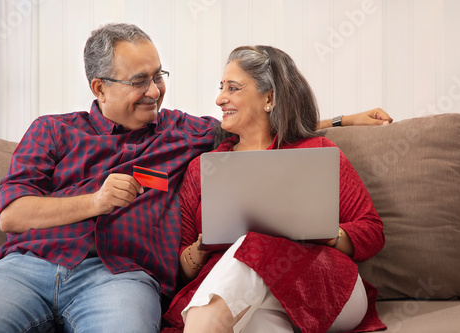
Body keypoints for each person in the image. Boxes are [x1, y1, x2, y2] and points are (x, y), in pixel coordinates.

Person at [0, 23, 391, 333]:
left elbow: (262, 123)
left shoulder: (184, 134)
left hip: (120, 278)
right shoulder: (52, 130)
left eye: (159, 76)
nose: (155, 91)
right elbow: (11, 215)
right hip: (26, 269)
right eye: (140, 81)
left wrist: (343, 120)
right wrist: (96, 202)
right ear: (99, 88)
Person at [161, 45, 387, 333]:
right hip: (248, 298)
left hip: (327, 289)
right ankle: (209, 320)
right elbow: (184, 265)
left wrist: (328, 232)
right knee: (255, 321)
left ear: (269, 97)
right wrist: (200, 248)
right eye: (221, 88)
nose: (219, 99)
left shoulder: (316, 152)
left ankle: (204, 321)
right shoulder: (204, 167)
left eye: (233, 88)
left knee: (251, 245)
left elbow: (372, 231)